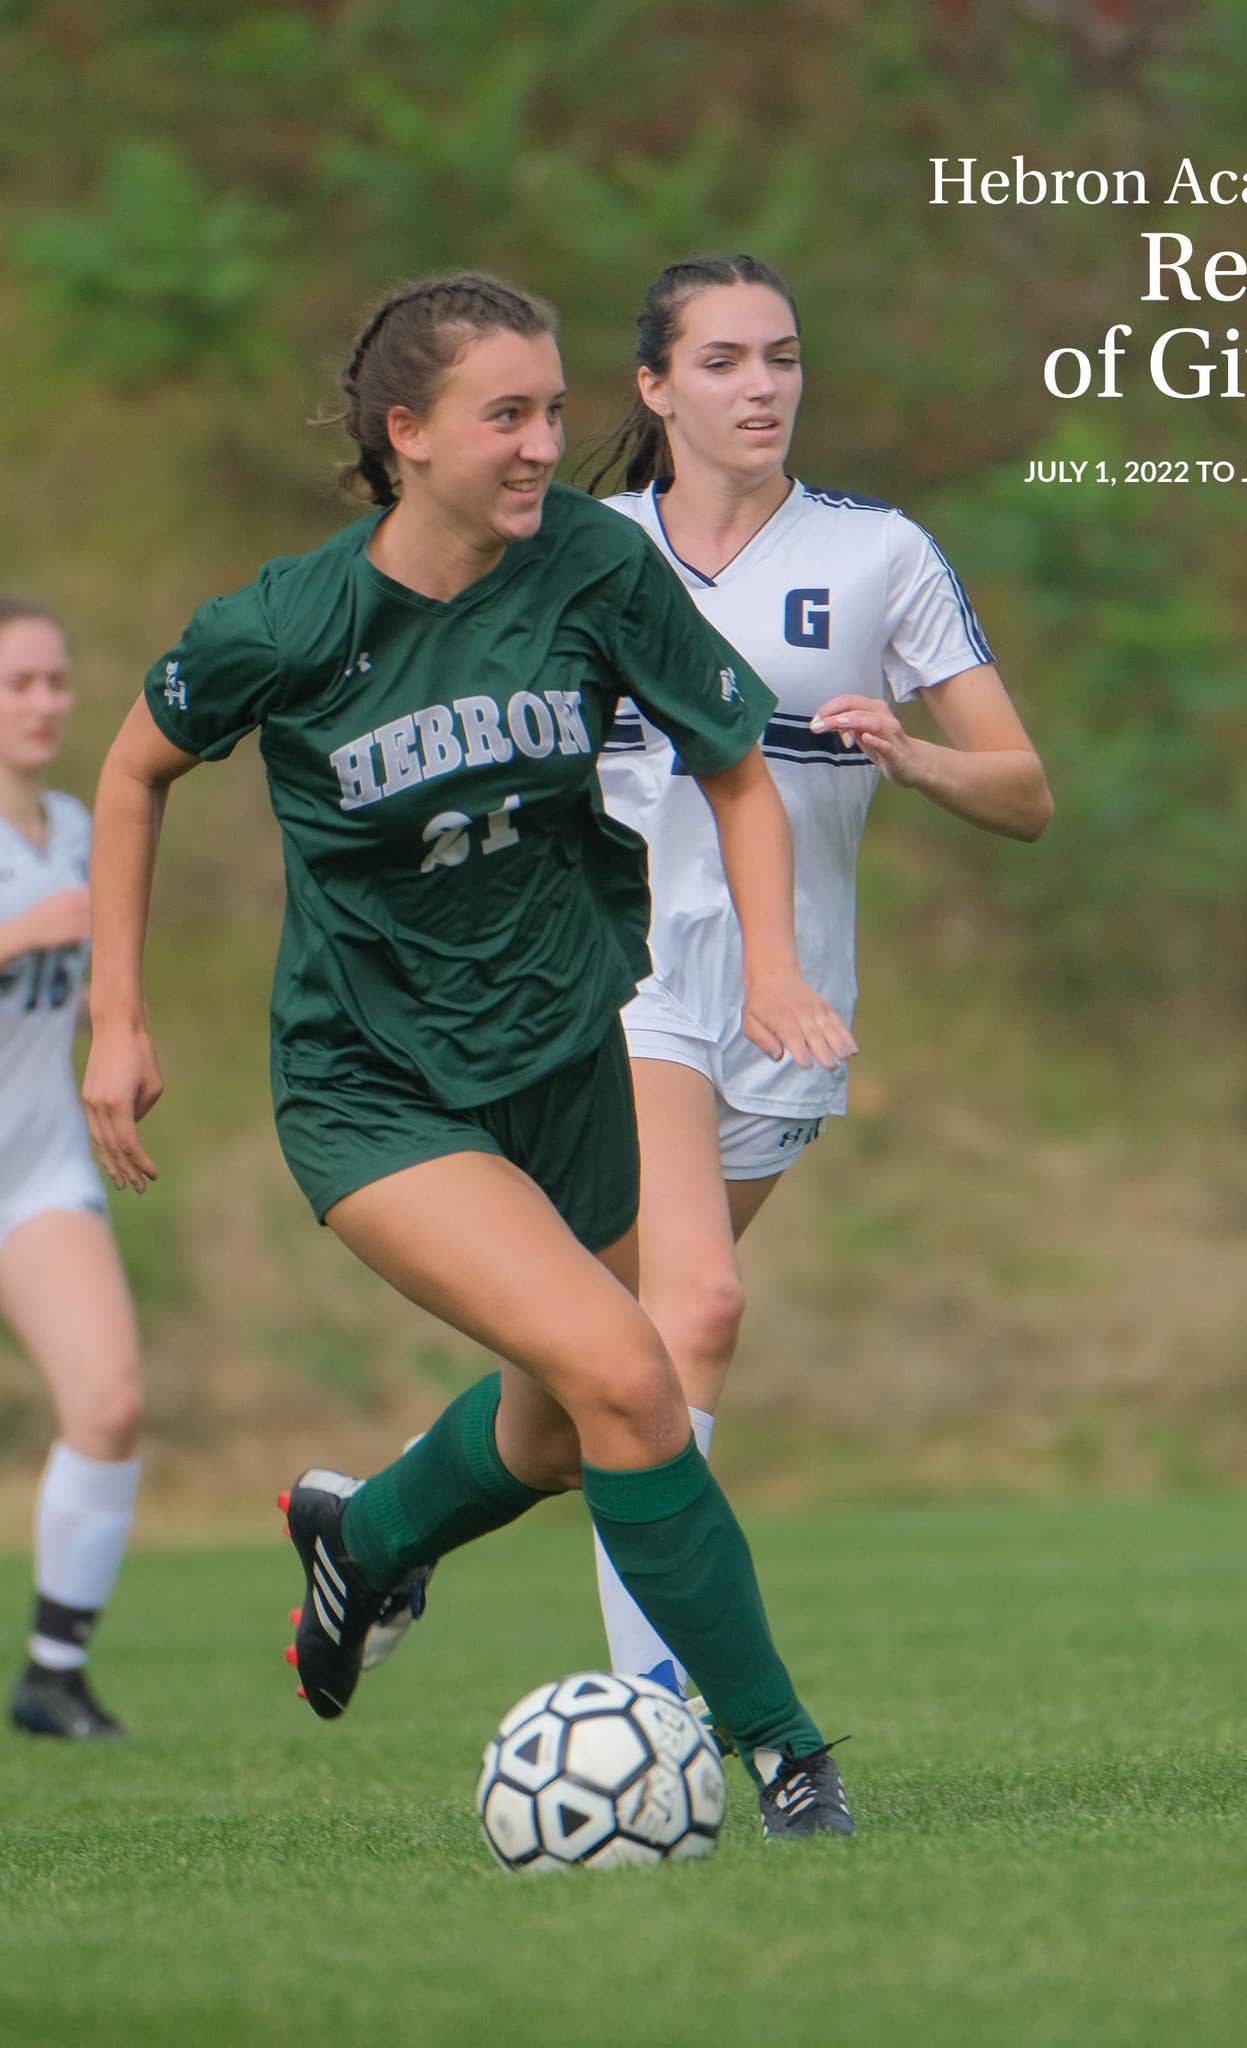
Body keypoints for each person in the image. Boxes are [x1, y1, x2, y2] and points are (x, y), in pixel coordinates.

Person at [81, 273, 859, 1836]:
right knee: (631, 1375)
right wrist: (119, 1015)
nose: (545, 445)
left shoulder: (590, 565)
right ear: (408, 433)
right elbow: (133, 767)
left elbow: (736, 770)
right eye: (508, 415)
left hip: (568, 1060)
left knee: (565, 1427)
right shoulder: (292, 624)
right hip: (377, 1090)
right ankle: (787, 1757)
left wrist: (774, 966)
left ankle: (368, 1536)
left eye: (555, 410)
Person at [582, 255, 1053, 1704]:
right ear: (656, 387)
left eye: (781, 357)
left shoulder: (878, 553)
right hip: (620, 978)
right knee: (700, 1311)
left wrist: (914, 757)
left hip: (791, 1007)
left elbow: (1026, 790)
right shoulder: (579, 550)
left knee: (600, 1361)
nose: (762, 387)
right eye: (722, 361)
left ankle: (377, 1522)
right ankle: (665, 1714)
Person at [0, 597, 142, 1740]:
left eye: (56, 679)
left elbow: (92, 990)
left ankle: (54, 1672)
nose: (45, 701)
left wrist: (122, 1036)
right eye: (19, 683)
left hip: (36, 1170)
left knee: (109, 1401)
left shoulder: (79, 828)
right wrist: (18, 934)